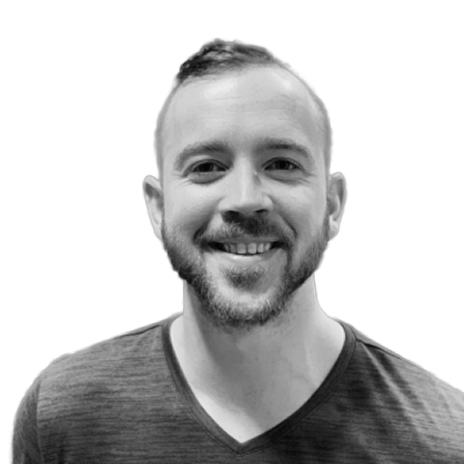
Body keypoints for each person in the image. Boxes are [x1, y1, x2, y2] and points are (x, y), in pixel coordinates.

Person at [10, 38, 464, 463]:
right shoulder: (61, 417)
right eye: (207, 167)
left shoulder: (447, 442)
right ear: (158, 207)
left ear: (332, 205)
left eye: (281, 164)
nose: (245, 198)